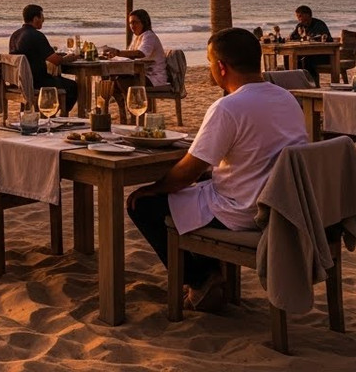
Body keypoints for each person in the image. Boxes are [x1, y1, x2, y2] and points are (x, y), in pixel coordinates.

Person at [127, 27, 307, 312]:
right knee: (195, 189)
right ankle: (209, 275)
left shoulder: (229, 107)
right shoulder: (286, 98)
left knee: (142, 204)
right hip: (281, 204)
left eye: (210, 61)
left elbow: (188, 172)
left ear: (221, 67)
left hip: (244, 210)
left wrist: (155, 187)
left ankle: (200, 279)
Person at [8, 4, 77, 115]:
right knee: (72, 86)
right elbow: (56, 61)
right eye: (42, 17)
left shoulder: (15, 35)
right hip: (36, 81)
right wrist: (71, 58)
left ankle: (52, 113)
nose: (43, 20)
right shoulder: (36, 35)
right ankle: (58, 116)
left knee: (58, 79)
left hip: (18, 81)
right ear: (36, 18)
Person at [101, 9, 168, 112]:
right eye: (130, 23)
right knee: (110, 81)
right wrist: (111, 56)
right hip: (140, 74)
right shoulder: (137, 37)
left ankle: (135, 109)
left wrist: (118, 52)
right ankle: (123, 112)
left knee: (122, 81)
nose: (132, 25)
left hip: (153, 76)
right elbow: (129, 55)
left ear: (144, 22)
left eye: (135, 22)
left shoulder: (149, 36)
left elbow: (140, 53)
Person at [289, 5, 333, 81]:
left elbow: (324, 38)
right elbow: (293, 37)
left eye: (300, 16)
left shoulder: (319, 24)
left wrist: (309, 38)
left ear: (307, 15)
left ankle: (311, 82)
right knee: (289, 57)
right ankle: (294, 80)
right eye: (297, 16)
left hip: (323, 54)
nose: (298, 18)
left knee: (307, 59)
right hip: (307, 53)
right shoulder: (300, 26)